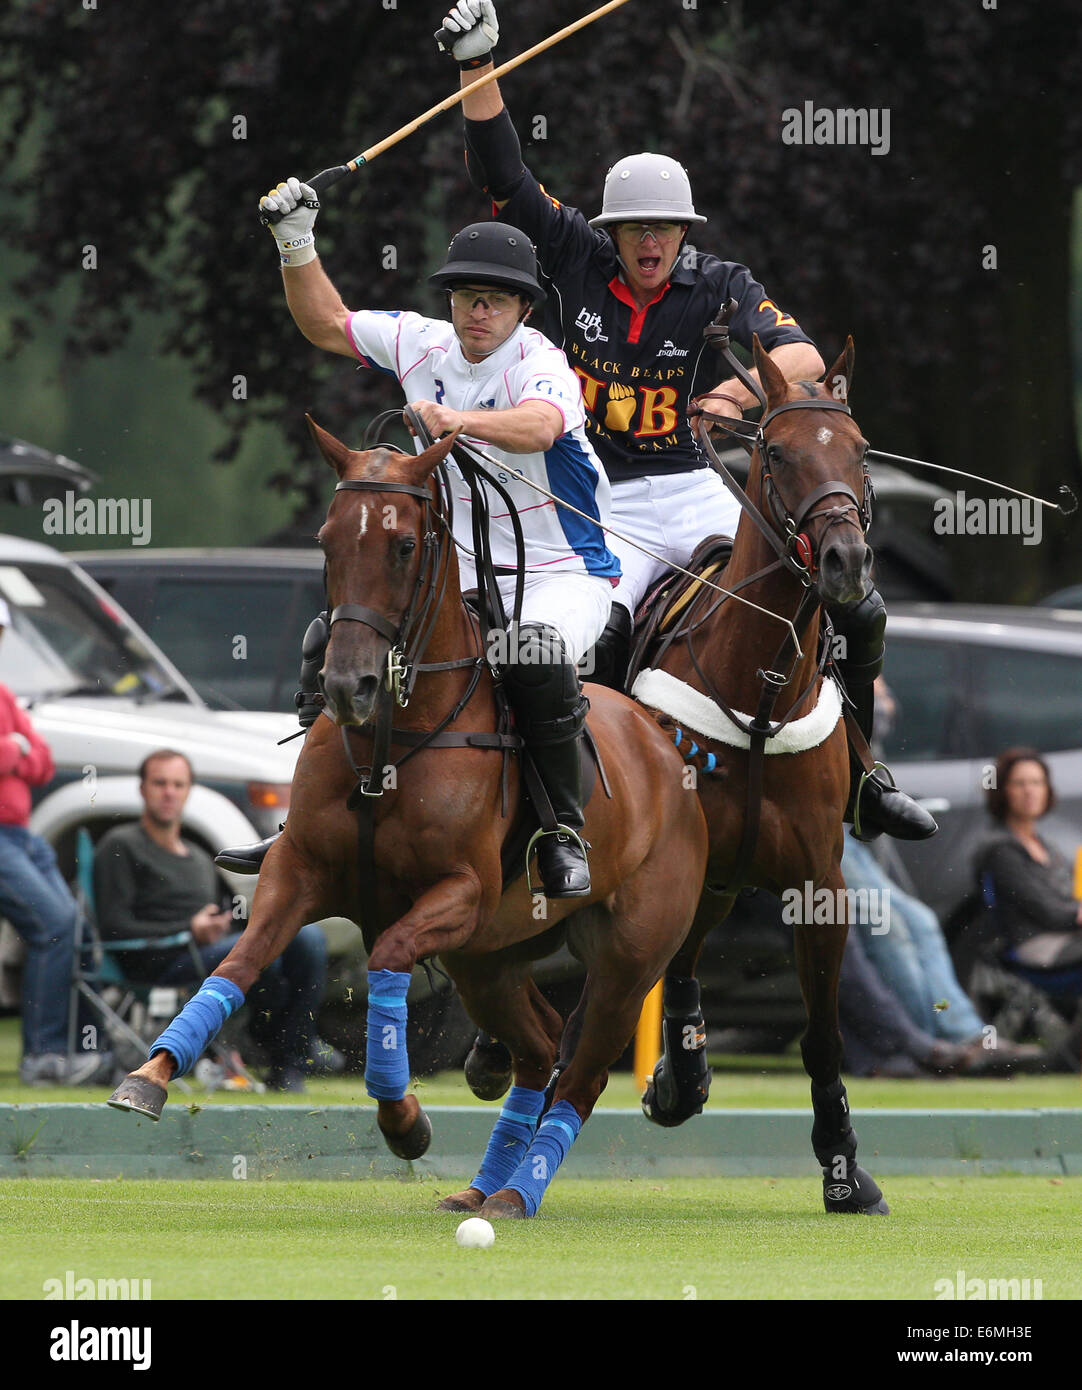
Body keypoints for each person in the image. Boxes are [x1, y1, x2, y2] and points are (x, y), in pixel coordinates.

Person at [433, 0, 936, 846]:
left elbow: (804, 357)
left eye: (664, 227)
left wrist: (737, 399)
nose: (650, 241)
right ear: (613, 232)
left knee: (840, 601)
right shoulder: (571, 256)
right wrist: (476, 69)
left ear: (683, 231)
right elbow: (506, 180)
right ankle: (568, 813)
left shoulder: (720, 283)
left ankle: (861, 773)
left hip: (699, 490)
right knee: (588, 640)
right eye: (635, 228)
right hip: (601, 501)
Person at [219, 181, 622, 898]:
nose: (479, 310)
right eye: (467, 294)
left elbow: (540, 426)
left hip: (563, 570)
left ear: (524, 309)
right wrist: (295, 241)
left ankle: (562, 829)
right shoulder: (421, 343)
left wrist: (459, 422)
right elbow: (327, 323)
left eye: (496, 299)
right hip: (455, 568)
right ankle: (304, 822)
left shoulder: (541, 363)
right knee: (330, 640)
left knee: (531, 657)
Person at [94, 749, 338, 1091]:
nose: (169, 792)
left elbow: (232, 916)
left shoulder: (197, 855)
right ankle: (284, 1047)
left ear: (188, 791)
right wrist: (188, 931)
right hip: (157, 962)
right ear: (143, 789)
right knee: (272, 962)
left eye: (178, 784)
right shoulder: (120, 845)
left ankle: (291, 1063)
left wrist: (222, 926)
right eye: (159, 783)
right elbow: (114, 928)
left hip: (207, 954)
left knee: (306, 938)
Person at [0, 599, 109, 1085]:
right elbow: (23, 753)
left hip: (21, 835)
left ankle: (82, 1048)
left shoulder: (3, 694)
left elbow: (42, 761)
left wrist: (17, 753)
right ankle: (43, 1056)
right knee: (54, 924)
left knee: (77, 929)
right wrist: (15, 750)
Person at [978, 748, 1082, 979]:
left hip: (1071, 936)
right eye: (1019, 783)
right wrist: (1076, 914)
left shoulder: (1046, 845)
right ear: (1003, 790)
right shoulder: (1001, 850)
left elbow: (1072, 892)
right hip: (1041, 945)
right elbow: (1047, 910)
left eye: (1037, 783)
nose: (1030, 791)